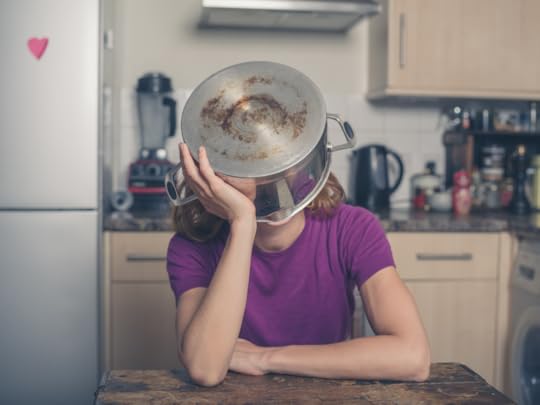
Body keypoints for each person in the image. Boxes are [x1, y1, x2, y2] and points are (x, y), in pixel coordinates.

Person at [167, 143, 430, 387]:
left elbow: (412, 357)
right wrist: (243, 223)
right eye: (252, 167)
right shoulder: (192, 246)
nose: (269, 182)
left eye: (277, 162)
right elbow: (205, 368)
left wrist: (265, 358)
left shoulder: (353, 228)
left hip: (327, 392)